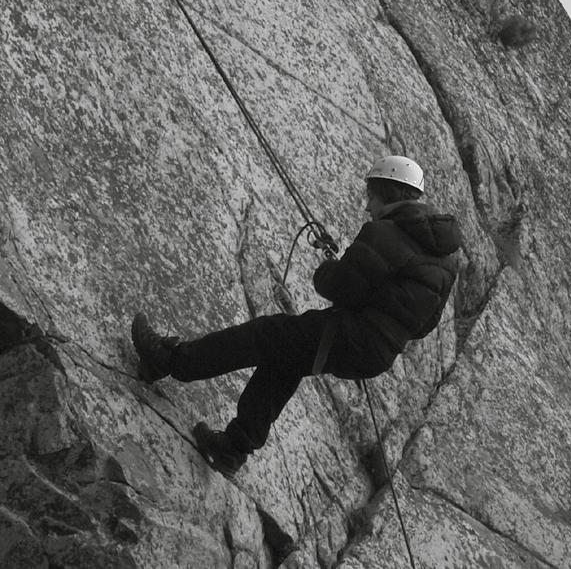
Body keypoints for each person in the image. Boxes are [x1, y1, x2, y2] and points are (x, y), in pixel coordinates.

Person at [130, 155, 463, 477]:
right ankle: (232, 448)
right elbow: (424, 324)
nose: (367, 207)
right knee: (284, 360)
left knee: (265, 335)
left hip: (349, 335)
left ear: (386, 194)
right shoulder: (446, 260)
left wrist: (329, 269)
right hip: (377, 354)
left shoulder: (382, 233)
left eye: (371, 197)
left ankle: (170, 360)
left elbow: (339, 287)